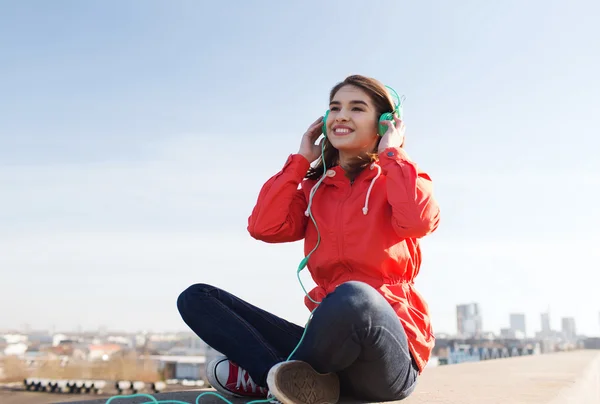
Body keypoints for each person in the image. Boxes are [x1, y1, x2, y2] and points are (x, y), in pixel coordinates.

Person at [177, 75, 440, 404]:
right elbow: (264, 227)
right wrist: (301, 161)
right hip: (327, 352)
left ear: (384, 124)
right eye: (335, 108)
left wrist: (393, 154)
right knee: (196, 298)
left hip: (385, 356)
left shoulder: (397, 177)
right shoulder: (314, 189)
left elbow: (418, 220)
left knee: (354, 296)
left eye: (357, 108)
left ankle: (272, 377)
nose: (341, 116)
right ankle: (278, 378)